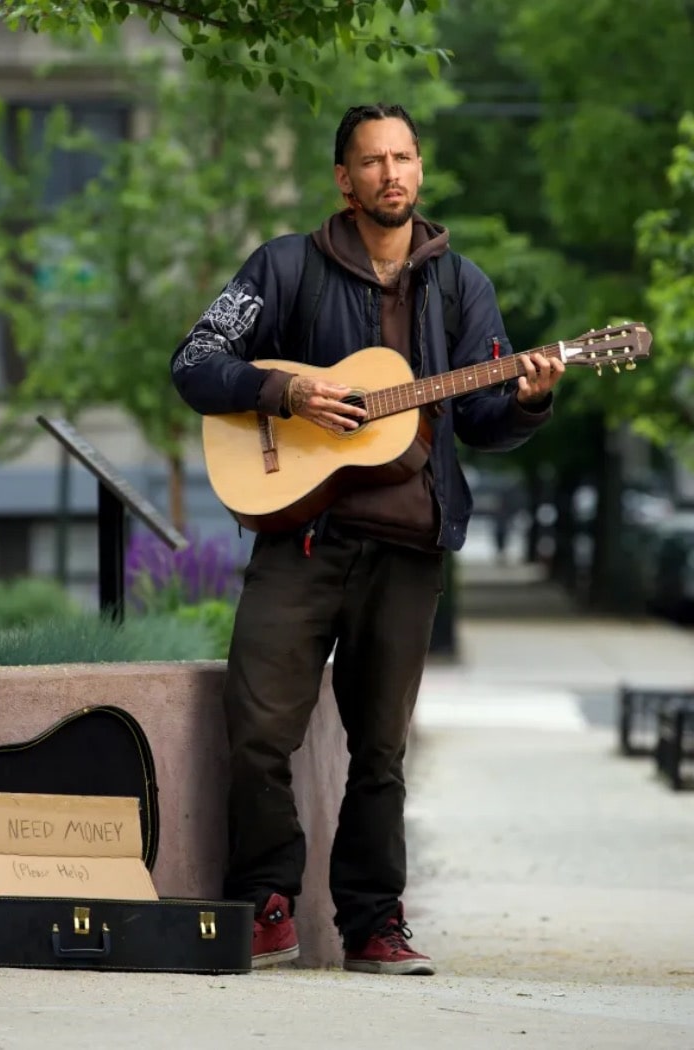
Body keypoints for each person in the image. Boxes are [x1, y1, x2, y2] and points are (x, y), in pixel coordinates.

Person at [170, 102, 565, 975]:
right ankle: (267, 902)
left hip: (408, 551)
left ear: (420, 169)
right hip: (302, 539)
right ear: (343, 180)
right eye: (374, 161)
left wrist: (531, 397)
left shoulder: (460, 285)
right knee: (259, 731)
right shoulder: (284, 267)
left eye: (406, 157)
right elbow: (194, 362)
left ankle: (374, 923)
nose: (393, 173)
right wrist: (284, 395)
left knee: (380, 751)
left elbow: (486, 419)